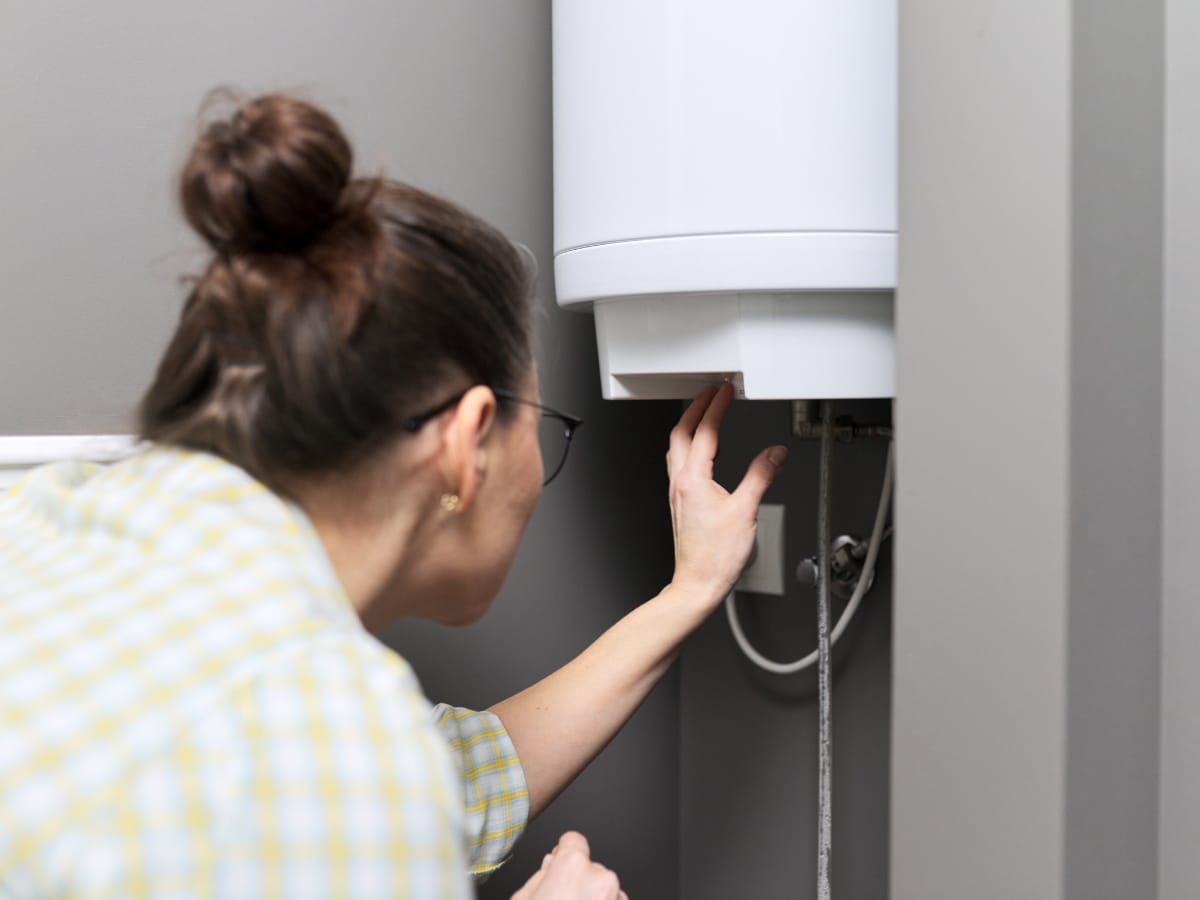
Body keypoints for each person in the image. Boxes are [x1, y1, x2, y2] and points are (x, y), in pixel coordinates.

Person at [0, 93, 786, 898]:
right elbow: (346, 771)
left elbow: (426, 781)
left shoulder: (49, 516)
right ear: (465, 442)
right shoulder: (332, 729)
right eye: (541, 421)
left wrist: (690, 591)